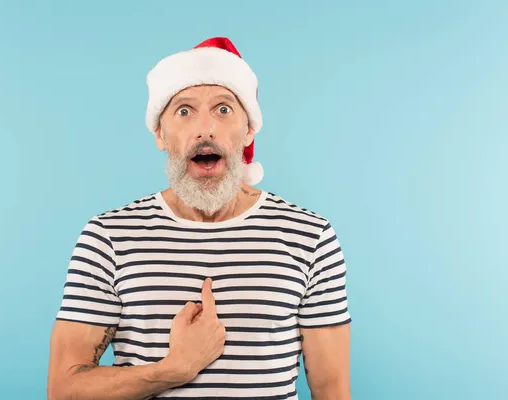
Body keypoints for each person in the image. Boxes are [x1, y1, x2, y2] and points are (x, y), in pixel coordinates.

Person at [47, 37, 352, 400]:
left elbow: (332, 389)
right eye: (184, 111)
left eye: (223, 109)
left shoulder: (310, 236)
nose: (204, 129)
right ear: (160, 134)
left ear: (249, 128)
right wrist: (174, 370)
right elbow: (63, 391)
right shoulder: (108, 238)